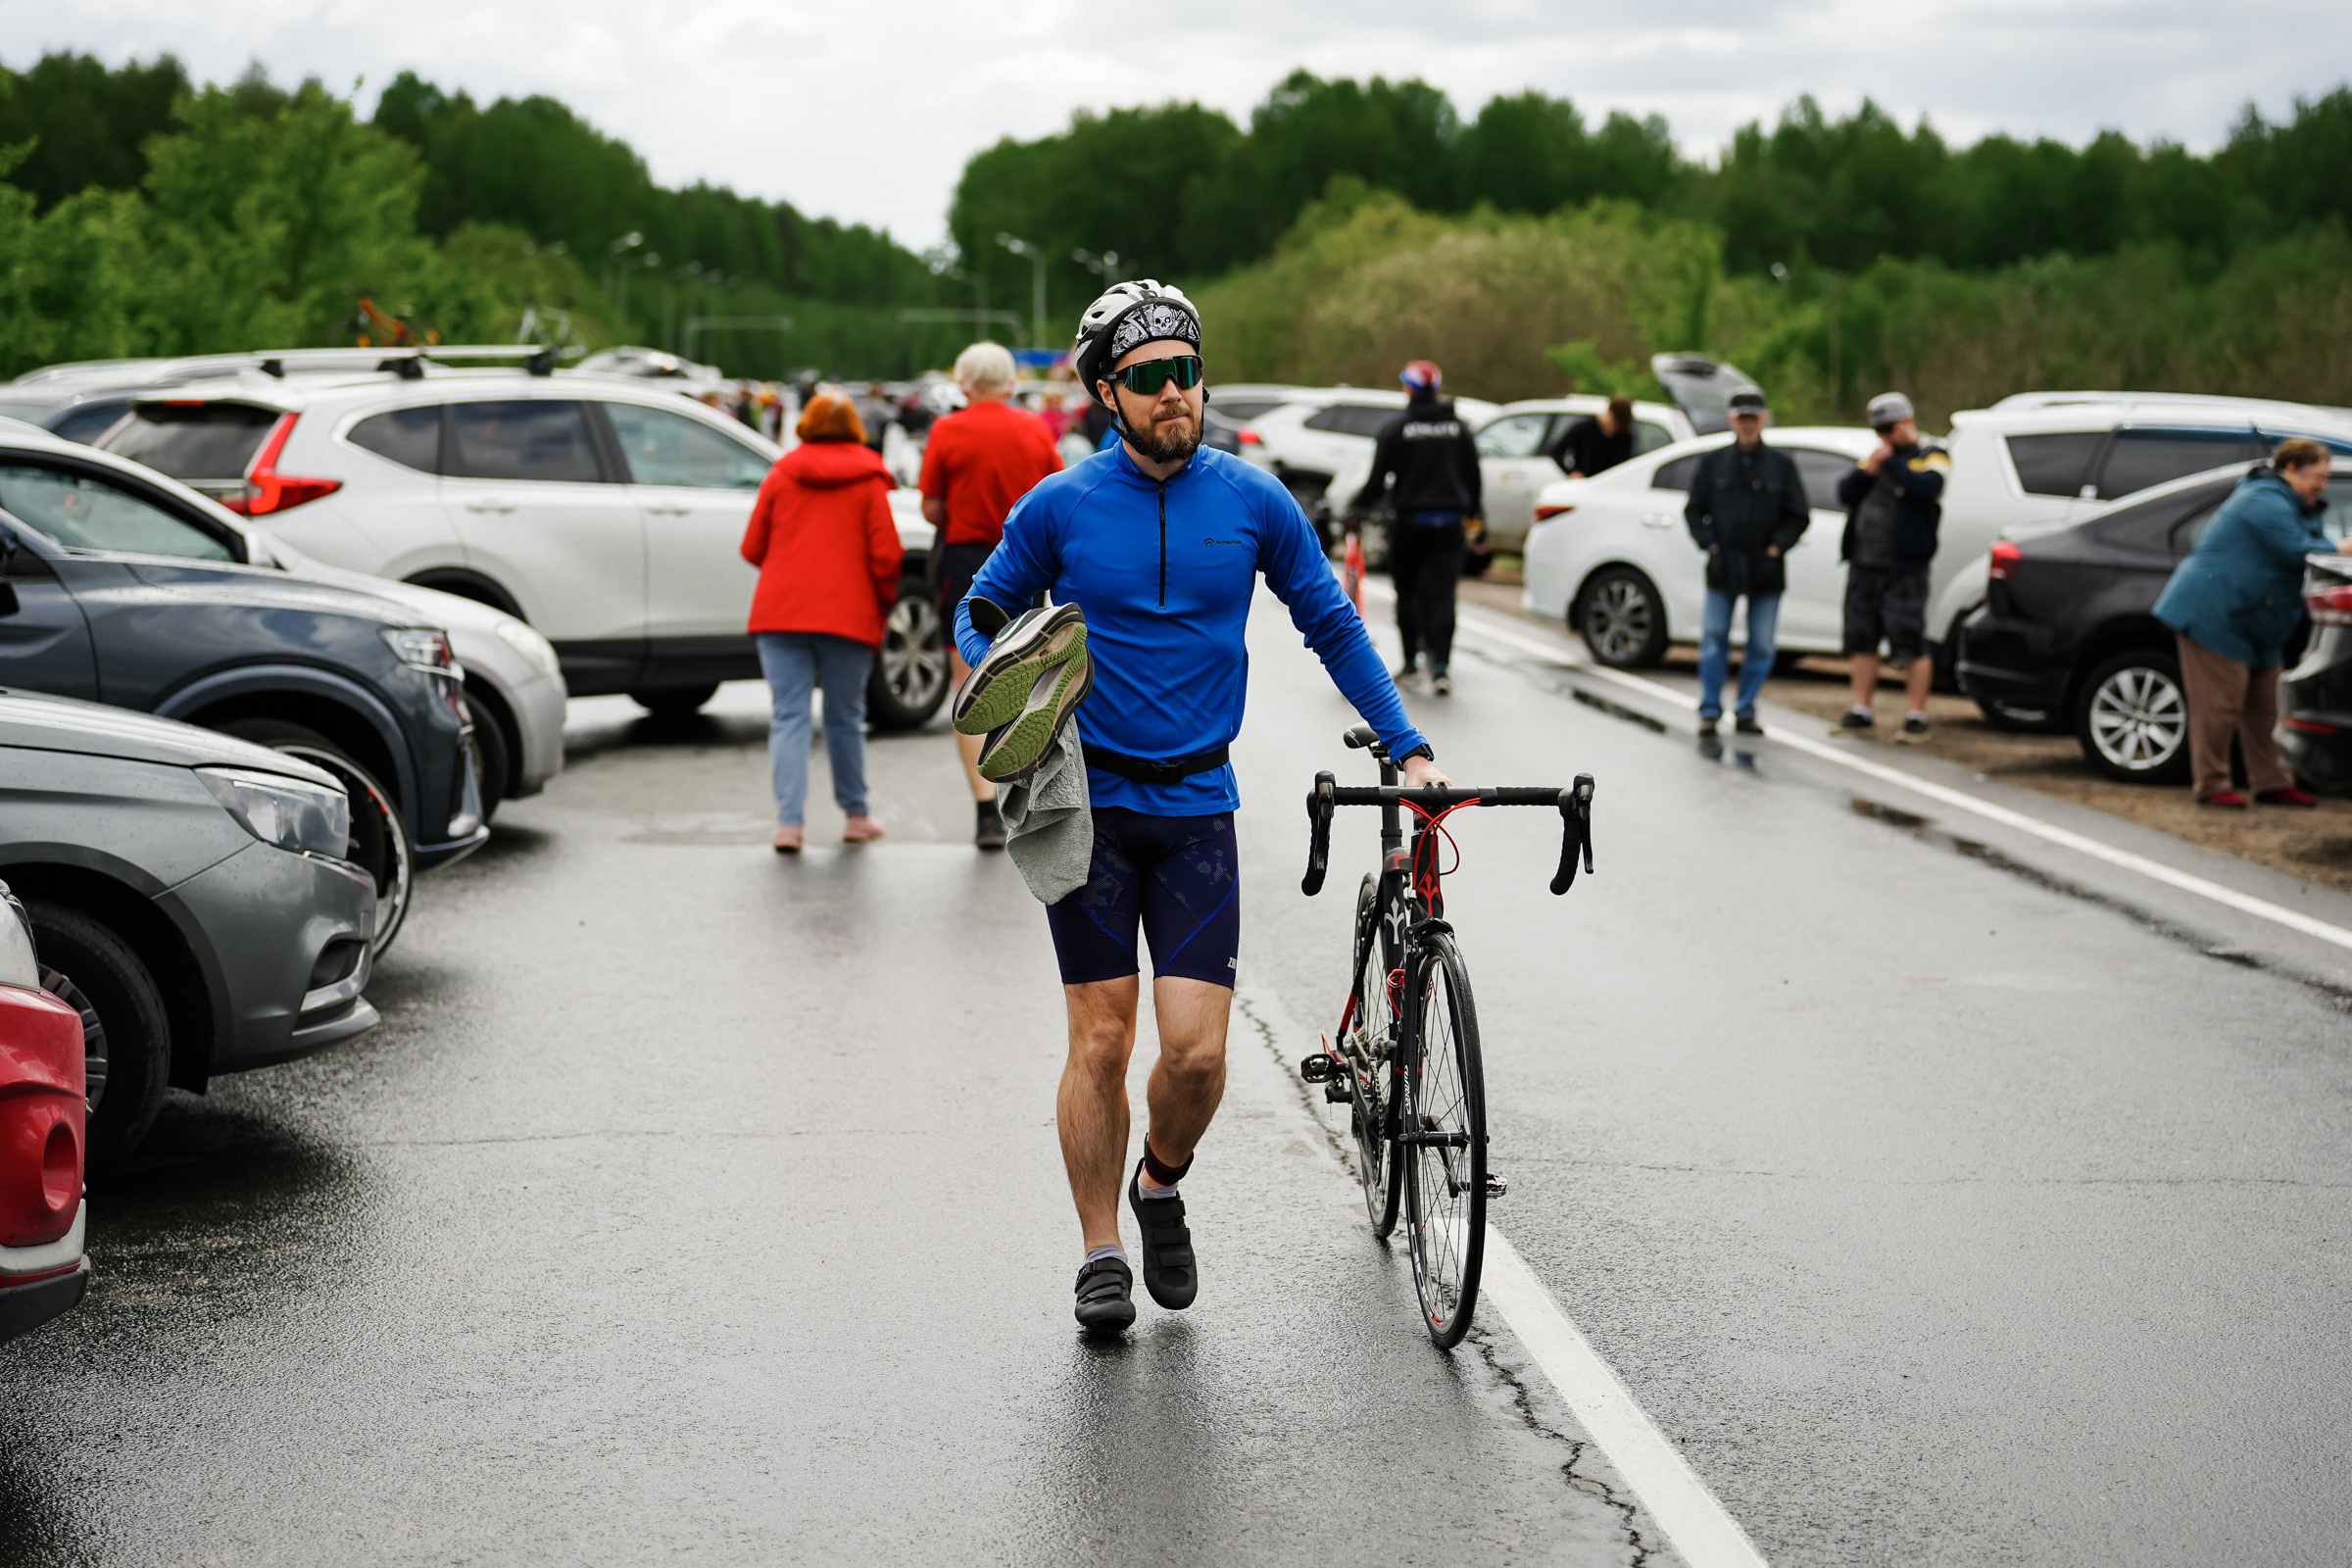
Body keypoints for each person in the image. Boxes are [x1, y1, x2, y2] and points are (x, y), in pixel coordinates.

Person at [953, 281, 1448, 1334]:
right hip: (1086, 803)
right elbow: (981, 608)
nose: (1175, 393)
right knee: (1099, 1041)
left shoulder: (1254, 501)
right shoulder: (1065, 505)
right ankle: (1099, 1250)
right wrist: (1012, 684)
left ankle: (1160, 1183)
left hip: (1195, 806)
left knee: (1196, 1054)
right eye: (1148, 378)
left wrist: (1404, 741)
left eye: (1185, 371)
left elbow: (1332, 622)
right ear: (1106, 393)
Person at [739, 393, 904, 853]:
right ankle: (855, 815)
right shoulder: (869, 478)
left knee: (788, 717)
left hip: (780, 613)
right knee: (845, 717)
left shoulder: (782, 473)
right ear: (854, 426)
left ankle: (788, 825)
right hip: (847, 614)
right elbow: (886, 556)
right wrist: (882, 601)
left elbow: (752, 547)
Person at [919, 341, 1064, 847]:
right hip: (1026, 561)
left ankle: (985, 808)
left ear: (964, 382)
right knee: (1030, 676)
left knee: (971, 681)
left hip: (964, 563)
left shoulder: (946, 430)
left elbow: (932, 509)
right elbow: (1055, 496)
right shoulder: (1033, 428)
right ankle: (1029, 793)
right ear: (1009, 382)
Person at [2153, 438, 2350, 808]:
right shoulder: (2263, 499)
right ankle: (2211, 783)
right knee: (2219, 704)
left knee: (2265, 703)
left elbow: (2315, 549)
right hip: (2215, 612)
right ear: (2291, 470)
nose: (2323, 485)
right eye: (2318, 477)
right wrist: (2343, 548)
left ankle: (2272, 781)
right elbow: (2298, 551)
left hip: (2258, 621)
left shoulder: (2299, 506)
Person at [1348, 360, 1483, 695]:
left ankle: (1410, 666)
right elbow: (1473, 478)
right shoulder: (1460, 429)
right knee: (1443, 595)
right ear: (1437, 388)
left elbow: (1378, 480)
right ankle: (1441, 668)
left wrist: (1358, 509)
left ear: (1409, 388)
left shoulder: (1397, 429)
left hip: (1408, 525)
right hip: (1449, 524)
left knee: (1407, 594)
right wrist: (1477, 516)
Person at [1685, 390, 1809, 737]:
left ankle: (1746, 710)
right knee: (1713, 638)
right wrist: (1708, 543)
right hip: (1724, 567)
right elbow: (1694, 509)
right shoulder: (1714, 463)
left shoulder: (1781, 466)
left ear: (1764, 419)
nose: (1748, 424)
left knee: (1763, 644)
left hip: (1765, 570)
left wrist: (1777, 547)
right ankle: (1710, 709)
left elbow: (1799, 515)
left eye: (1754, 417)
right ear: (1732, 420)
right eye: (1742, 418)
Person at [1835, 391, 1949, 741]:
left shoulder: (1931, 454)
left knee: (1908, 638)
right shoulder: (1875, 459)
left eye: (1889, 428)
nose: (1884, 437)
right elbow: (1845, 492)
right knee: (1861, 637)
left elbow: (1928, 488)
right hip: (1865, 564)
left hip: (1905, 568)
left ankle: (1916, 714)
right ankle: (1862, 708)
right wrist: (1869, 471)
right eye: (1879, 431)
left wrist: (1893, 464)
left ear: (1907, 422)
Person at [1563, 395, 1636, 478]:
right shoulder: (1585, 428)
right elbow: (1558, 451)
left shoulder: (1625, 436)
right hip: (1584, 484)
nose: (1614, 428)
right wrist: (1572, 472)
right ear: (1609, 413)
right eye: (1614, 423)